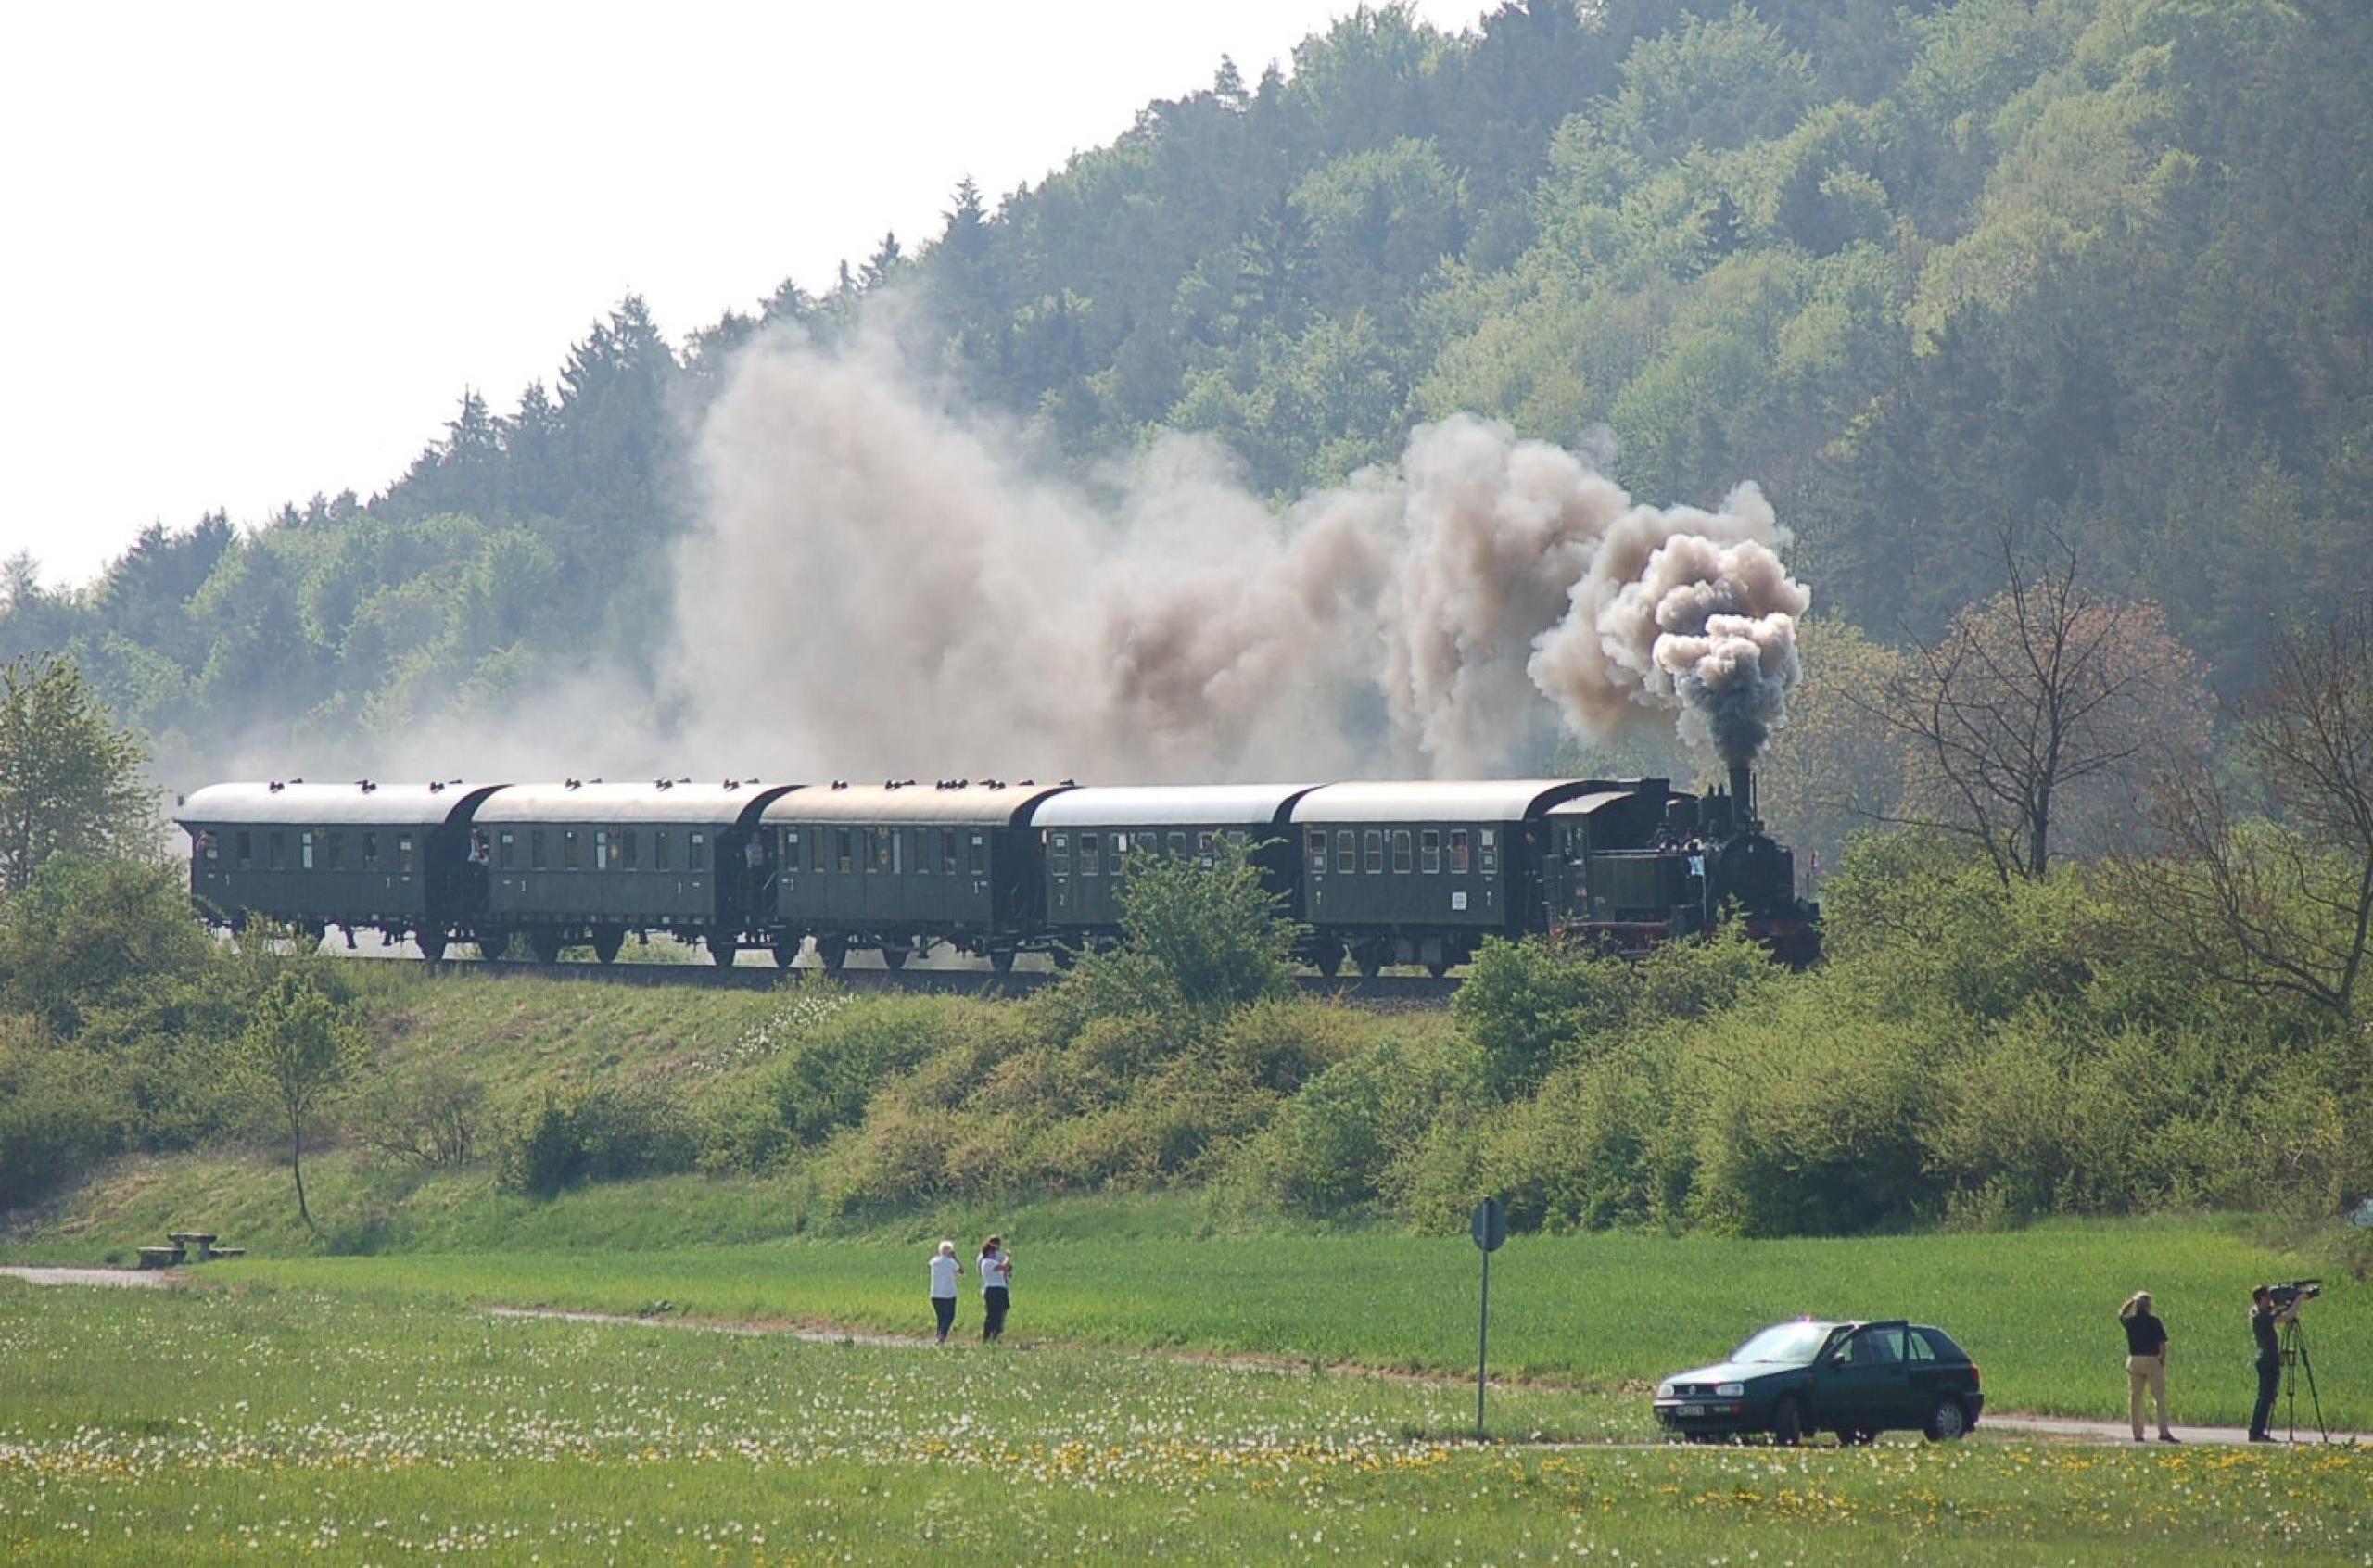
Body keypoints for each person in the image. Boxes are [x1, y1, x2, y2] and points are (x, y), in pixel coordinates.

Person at [2118, 1291, 2176, 1442]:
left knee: (2136, 1398)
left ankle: (2137, 1433)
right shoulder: (2154, 1321)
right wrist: (2162, 1360)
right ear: (2148, 1307)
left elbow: (2121, 1314)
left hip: (2135, 1360)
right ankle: (2163, 1431)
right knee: (2159, 1398)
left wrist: (2131, 1300)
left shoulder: (2131, 1321)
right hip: (2151, 1360)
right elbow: (2162, 1343)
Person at [2247, 1285, 2303, 1442]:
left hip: (2268, 1359)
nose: (2270, 1299)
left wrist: (2285, 1302)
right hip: (2268, 1361)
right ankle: (2256, 1432)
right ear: (2261, 1299)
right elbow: (2286, 1317)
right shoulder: (2260, 1316)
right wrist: (2298, 1300)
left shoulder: (2259, 1313)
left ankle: (2258, 1431)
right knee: (2265, 1398)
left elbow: (2278, 1312)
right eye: (2267, 1297)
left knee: (2267, 1397)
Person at [978, 1234, 1014, 1344]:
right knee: (993, 1314)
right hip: (994, 1290)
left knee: (1000, 1313)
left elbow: (1005, 1269)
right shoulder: (987, 1262)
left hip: (1000, 1288)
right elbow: (1004, 1266)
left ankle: (995, 1335)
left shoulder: (992, 1262)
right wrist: (1008, 1256)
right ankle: (989, 1336)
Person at [926, 1240, 963, 1344]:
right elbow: (961, 1270)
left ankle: (939, 1335)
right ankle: (942, 1335)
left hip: (935, 1294)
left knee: (941, 1316)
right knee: (949, 1316)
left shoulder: (934, 1261)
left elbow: (929, 1265)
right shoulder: (951, 1262)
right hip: (948, 1294)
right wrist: (955, 1257)